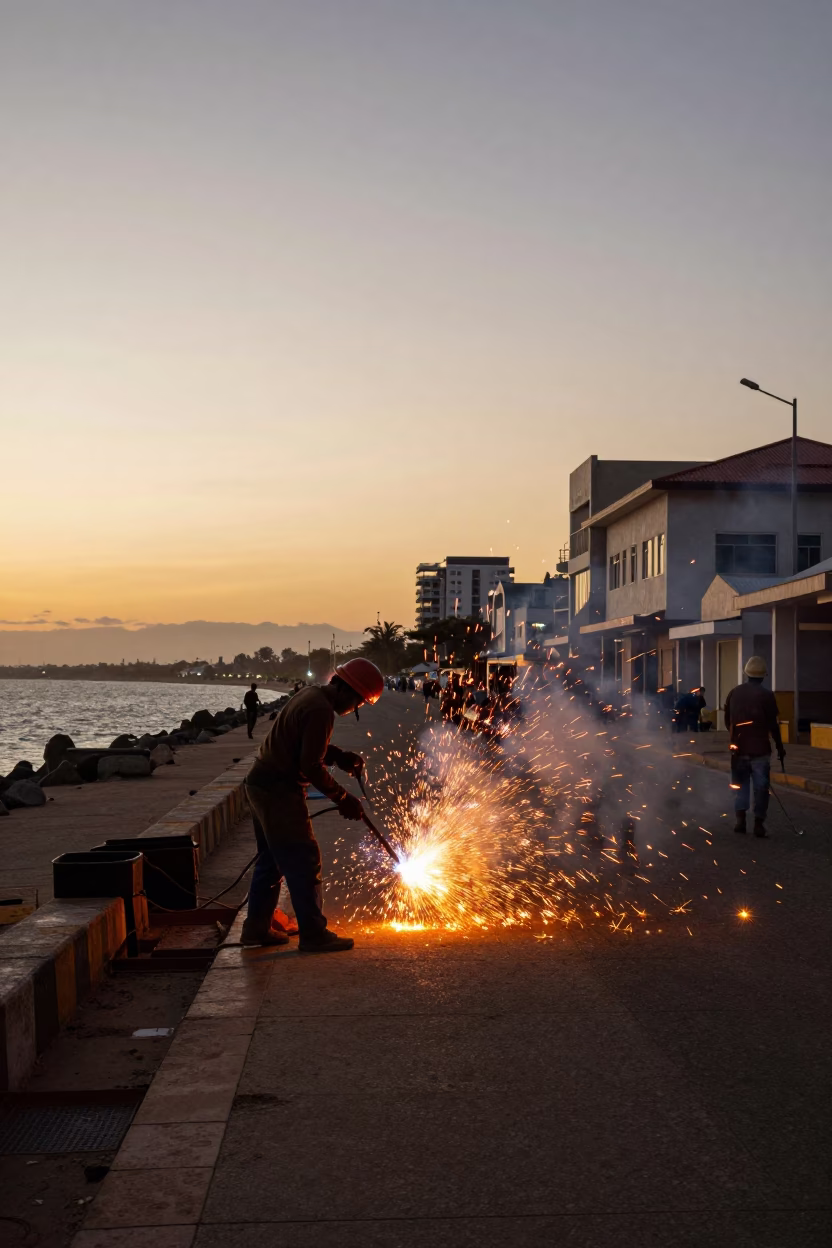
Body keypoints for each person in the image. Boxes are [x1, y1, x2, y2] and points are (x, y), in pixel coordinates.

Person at [241, 658, 384, 952]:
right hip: (278, 790)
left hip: (261, 782)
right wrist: (344, 798)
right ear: (348, 690)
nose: (354, 709)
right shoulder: (321, 710)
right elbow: (310, 765)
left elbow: (304, 744)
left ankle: (255, 929)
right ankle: (313, 933)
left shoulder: (312, 695)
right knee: (303, 857)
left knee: (272, 859)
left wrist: (339, 756)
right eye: (357, 702)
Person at [724, 656, 785, 838]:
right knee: (761, 788)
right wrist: (780, 747)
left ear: (746, 674)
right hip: (760, 750)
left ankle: (740, 821)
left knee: (740, 786)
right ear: (763, 676)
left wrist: (736, 737)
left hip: (739, 750)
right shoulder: (767, 695)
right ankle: (759, 824)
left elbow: (728, 721)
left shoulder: (734, 692)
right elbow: (773, 725)